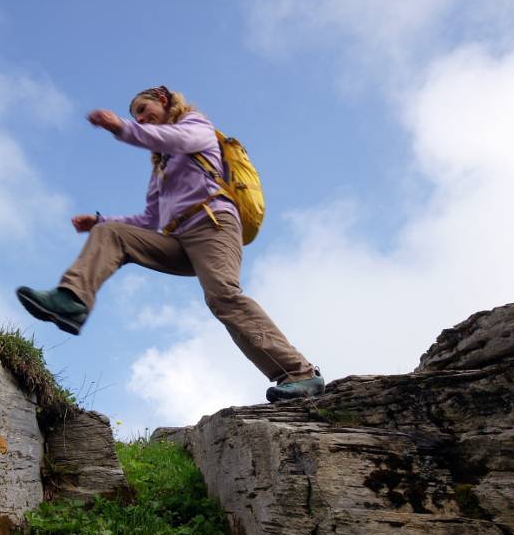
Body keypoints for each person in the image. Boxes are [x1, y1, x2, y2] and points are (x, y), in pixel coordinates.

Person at [16, 85, 323, 403]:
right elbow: (150, 219)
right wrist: (99, 221)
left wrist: (122, 127)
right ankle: (72, 301)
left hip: (213, 225)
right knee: (112, 234)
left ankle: (300, 373)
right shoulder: (160, 167)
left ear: (163, 100)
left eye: (143, 110)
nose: (140, 118)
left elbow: (175, 139)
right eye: (135, 115)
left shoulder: (195, 126)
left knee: (223, 297)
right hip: (179, 239)